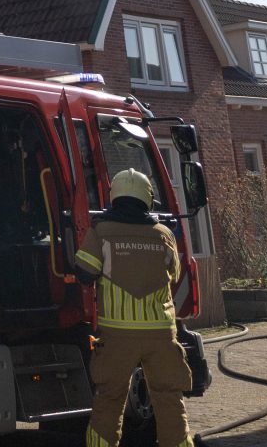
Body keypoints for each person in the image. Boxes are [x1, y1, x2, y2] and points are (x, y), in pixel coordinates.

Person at [73, 169, 193, 447]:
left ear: (114, 196)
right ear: (147, 197)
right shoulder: (164, 234)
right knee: (169, 401)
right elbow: (173, 275)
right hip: (161, 334)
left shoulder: (101, 231)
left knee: (109, 400)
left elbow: (84, 272)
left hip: (118, 336)